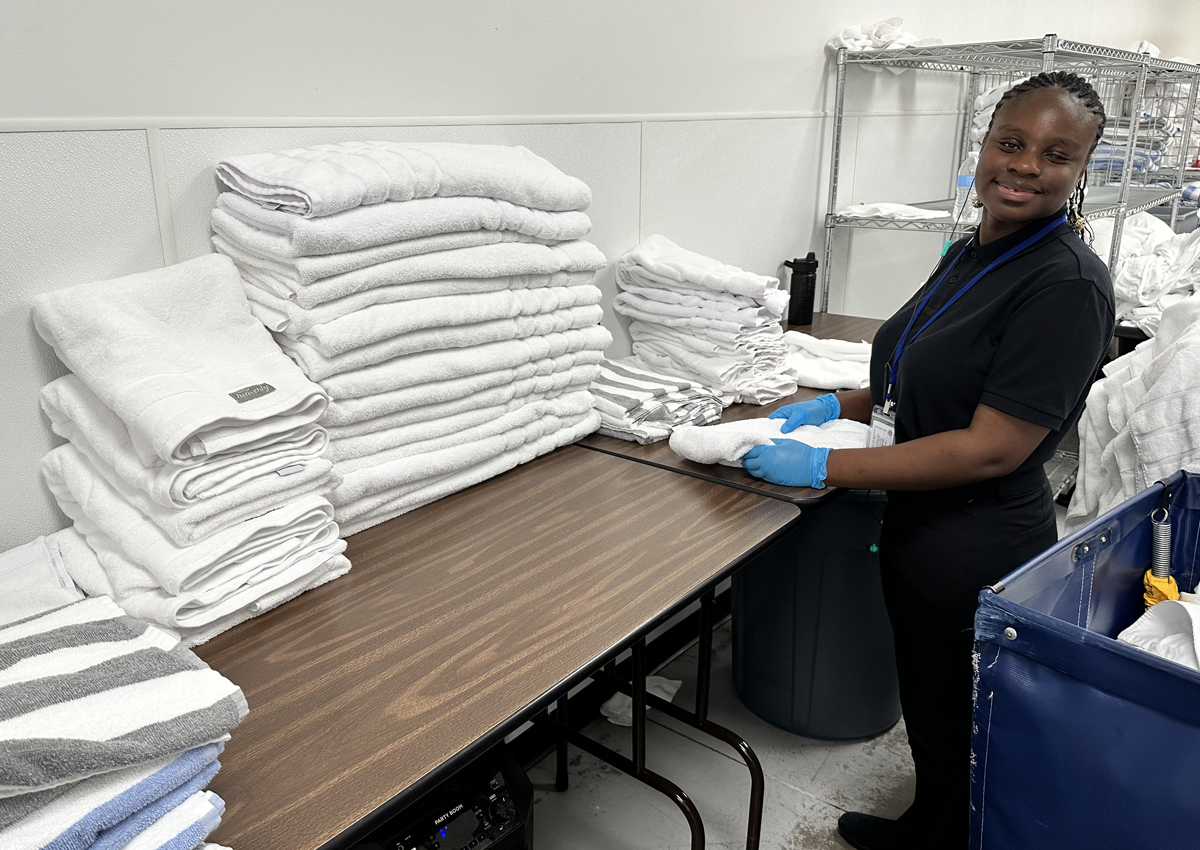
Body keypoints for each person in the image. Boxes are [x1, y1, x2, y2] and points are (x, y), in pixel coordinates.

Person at [741, 71, 1115, 849]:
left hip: (971, 538)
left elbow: (991, 448)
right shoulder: (973, 249)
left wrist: (822, 470)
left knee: (957, 714)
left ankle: (949, 835)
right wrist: (834, 406)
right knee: (934, 704)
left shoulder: (1066, 285)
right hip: (920, 524)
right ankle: (934, 827)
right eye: (1010, 143)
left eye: (1056, 154)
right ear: (982, 148)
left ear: (1082, 170)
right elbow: (916, 369)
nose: (1023, 166)